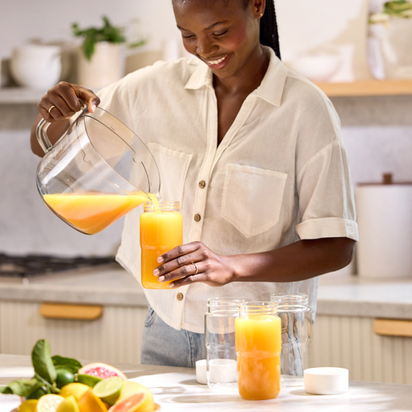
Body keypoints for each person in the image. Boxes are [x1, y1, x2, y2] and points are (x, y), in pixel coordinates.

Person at [30, 0, 358, 368]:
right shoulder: (151, 88)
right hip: (165, 327)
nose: (204, 49)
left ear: (257, 6)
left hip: (256, 336)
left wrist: (232, 266)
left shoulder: (305, 109)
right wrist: (52, 115)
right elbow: (55, 149)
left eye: (219, 32)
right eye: (188, 35)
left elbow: (336, 246)